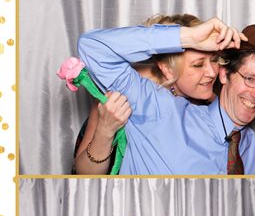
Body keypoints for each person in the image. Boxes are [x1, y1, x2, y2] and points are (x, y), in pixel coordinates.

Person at [77, 20, 255, 174]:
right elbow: (92, 48)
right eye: (250, 79)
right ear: (224, 74)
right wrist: (188, 37)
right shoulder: (159, 110)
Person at [73, 13, 220, 174]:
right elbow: (84, 174)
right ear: (167, 68)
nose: (212, 72)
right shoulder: (125, 90)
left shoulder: (219, 96)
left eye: (215, 60)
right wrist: (105, 131)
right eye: (198, 65)